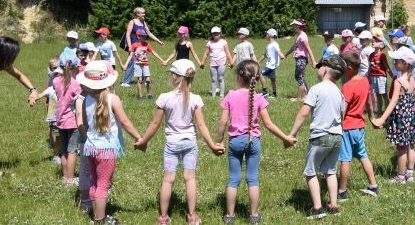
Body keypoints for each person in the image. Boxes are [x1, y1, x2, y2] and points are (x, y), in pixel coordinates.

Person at [134, 59, 225, 224]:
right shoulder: (196, 99)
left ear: (174, 76)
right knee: (190, 178)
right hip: (190, 144)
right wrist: (212, 145)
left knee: (168, 179)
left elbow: (155, 124)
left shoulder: (164, 98)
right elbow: (202, 125)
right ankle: (191, 215)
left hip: (172, 145)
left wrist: (143, 141)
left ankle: (162, 217)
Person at [215, 59, 295, 224]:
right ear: (256, 78)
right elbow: (269, 124)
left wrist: (219, 141)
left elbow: (223, 122)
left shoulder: (230, 95)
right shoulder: (258, 97)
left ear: (238, 76)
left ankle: (229, 216)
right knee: (252, 178)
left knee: (233, 179)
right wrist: (286, 137)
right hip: (253, 142)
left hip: (235, 142)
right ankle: (253, 215)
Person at [75, 60, 143, 224]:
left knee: (95, 182)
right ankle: (100, 218)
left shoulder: (85, 100)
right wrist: (139, 138)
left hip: (90, 148)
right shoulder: (114, 99)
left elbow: (83, 123)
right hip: (106, 150)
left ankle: (94, 212)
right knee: (103, 184)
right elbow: (125, 122)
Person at [287, 55, 347, 219]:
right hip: (337, 137)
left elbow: (304, 112)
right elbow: (343, 115)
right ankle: (334, 206)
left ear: (326, 69)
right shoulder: (339, 92)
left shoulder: (317, 88)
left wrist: (292, 133)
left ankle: (318, 208)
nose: (318, 68)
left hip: (319, 136)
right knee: (330, 171)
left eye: (320, 66)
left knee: (310, 171)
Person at [0, 37, 38, 177]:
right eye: (13, 55)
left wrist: (33, 90)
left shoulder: (1, 64)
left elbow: (19, 75)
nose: (14, 58)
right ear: (4, 54)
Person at [337, 51, 379, 201]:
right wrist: (372, 116)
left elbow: (343, 110)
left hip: (347, 127)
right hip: (359, 126)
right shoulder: (365, 81)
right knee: (363, 155)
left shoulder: (347, 86)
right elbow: (369, 101)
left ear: (348, 67)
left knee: (345, 159)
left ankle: (342, 192)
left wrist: (337, 126)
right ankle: (373, 185)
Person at [373, 47, 415, 184]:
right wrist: (412, 106)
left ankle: (400, 177)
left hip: (401, 117)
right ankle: (410, 174)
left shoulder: (398, 81)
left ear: (406, 63)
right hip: (411, 116)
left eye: (397, 60)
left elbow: (393, 102)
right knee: (411, 144)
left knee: (401, 148)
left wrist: (381, 119)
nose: (393, 62)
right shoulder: (412, 78)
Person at [54, 53, 82, 185]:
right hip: (72, 121)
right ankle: (70, 179)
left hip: (60, 121)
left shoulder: (55, 81)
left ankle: (64, 177)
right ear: (75, 67)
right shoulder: (76, 84)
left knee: (64, 150)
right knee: (72, 151)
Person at [122, 7, 164, 86]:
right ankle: (125, 82)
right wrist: (130, 46)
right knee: (131, 62)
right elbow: (127, 34)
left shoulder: (143, 22)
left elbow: (149, 33)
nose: (144, 14)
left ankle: (144, 80)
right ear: (137, 14)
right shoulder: (132, 22)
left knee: (142, 61)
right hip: (133, 45)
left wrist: (158, 41)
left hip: (141, 46)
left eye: (144, 12)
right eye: (142, 13)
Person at [123, 29, 165, 100]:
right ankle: (140, 95)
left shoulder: (147, 45)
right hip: (137, 64)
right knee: (139, 80)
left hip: (145, 64)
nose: (144, 37)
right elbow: (130, 56)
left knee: (148, 80)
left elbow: (153, 52)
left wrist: (162, 60)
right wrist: (125, 65)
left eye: (145, 36)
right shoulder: (134, 45)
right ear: (138, 36)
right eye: (142, 36)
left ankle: (149, 94)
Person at [34, 63, 63, 165]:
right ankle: (56, 155)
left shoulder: (66, 88)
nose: (57, 79)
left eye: (59, 76)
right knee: (56, 135)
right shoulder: (50, 89)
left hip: (65, 117)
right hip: (54, 117)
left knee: (64, 135)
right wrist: (34, 97)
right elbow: (40, 95)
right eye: (55, 76)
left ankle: (63, 152)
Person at [285, 19, 317, 102]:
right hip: (299, 58)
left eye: (294, 25)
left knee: (299, 77)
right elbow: (294, 46)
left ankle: (298, 98)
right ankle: (307, 94)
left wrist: (313, 61)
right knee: (298, 76)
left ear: (298, 26)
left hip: (302, 59)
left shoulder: (303, 36)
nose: (292, 27)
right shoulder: (298, 35)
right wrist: (286, 54)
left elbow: (308, 49)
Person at [201, 26, 233, 98]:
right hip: (213, 63)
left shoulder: (223, 42)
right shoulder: (209, 43)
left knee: (220, 78)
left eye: (217, 33)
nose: (216, 35)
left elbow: (227, 52)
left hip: (221, 62)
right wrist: (202, 62)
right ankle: (213, 95)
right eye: (214, 33)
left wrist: (231, 62)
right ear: (212, 34)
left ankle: (221, 95)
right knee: (213, 79)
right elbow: (206, 53)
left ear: (220, 33)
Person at [368, 36, 392, 115]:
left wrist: (392, 76)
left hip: (381, 77)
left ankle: (387, 111)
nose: (373, 41)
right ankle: (379, 111)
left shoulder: (382, 55)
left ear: (381, 45)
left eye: (376, 41)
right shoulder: (371, 55)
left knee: (384, 94)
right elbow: (370, 67)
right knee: (377, 94)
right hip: (373, 76)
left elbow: (386, 66)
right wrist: (369, 76)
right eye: (373, 40)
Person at [260, 29, 284, 98]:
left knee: (260, 73)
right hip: (270, 65)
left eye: (266, 34)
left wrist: (281, 55)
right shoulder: (268, 45)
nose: (265, 36)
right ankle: (274, 94)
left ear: (270, 35)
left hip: (271, 65)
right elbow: (264, 55)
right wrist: (258, 62)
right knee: (273, 79)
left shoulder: (275, 44)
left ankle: (264, 91)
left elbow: (278, 51)